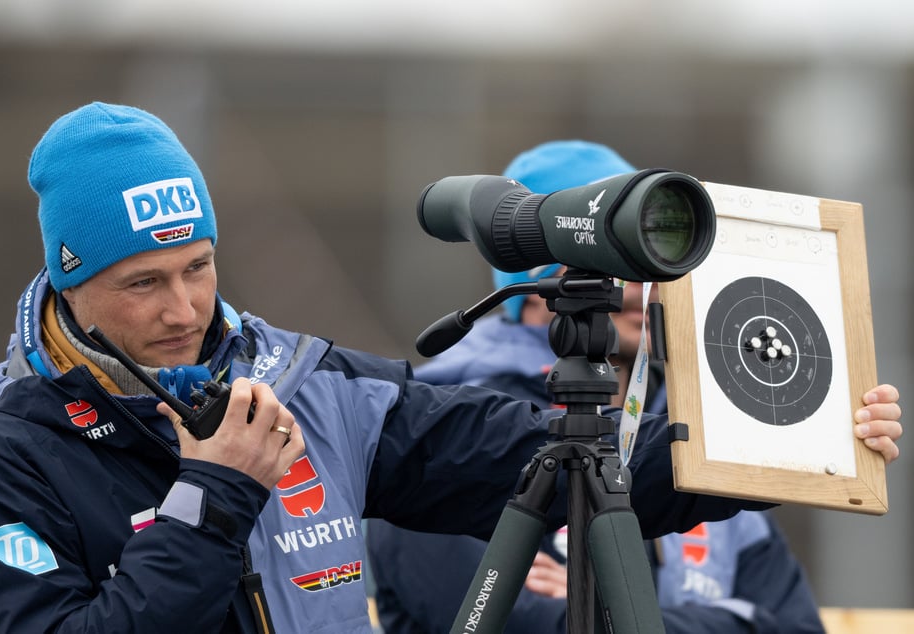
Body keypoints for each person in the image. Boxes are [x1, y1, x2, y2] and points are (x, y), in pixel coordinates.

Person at [0, 106, 899, 634]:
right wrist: (209, 498)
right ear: (68, 281)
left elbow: (539, 456)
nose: (182, 308)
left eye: (198, 267)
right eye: (143, 283)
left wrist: (793, 439)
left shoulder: (309, 387)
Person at [366, 140, 894, 633]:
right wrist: (733, 618)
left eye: (653, 259)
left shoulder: (689, 432)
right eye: (620, 262)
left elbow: (795, 625)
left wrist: (603, 617)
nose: (648, 283)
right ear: (540, 284)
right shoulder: (448, 433)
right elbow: (509, 622)